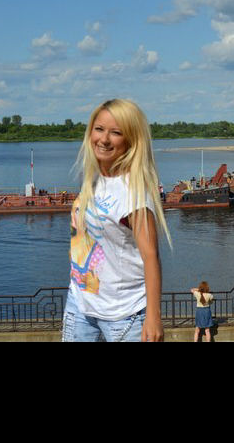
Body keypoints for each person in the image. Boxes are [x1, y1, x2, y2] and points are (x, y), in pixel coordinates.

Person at [62, 98, 172, 342]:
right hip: (80, 305)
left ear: (131, 140)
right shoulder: (92, 178)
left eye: (116, 132)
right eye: (99, 129)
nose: (104, 139)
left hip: (123, 314)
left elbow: (151, 257)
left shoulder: (134, 192)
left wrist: (153, 317)